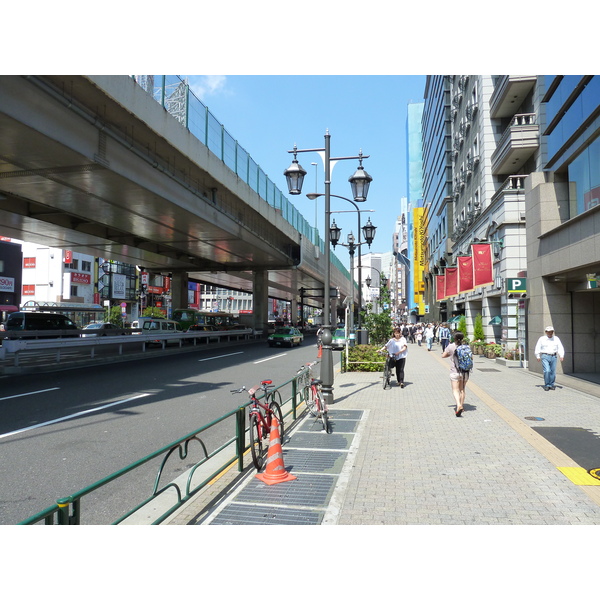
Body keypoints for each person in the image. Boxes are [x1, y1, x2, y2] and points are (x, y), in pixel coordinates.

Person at [441, 331, 470, 417]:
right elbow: (471, 357)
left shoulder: (451, 346)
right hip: (465, 372)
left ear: (454, 338)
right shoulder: (466, 346)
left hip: (455, 371)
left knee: (455, 390)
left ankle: (458, 405)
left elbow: (443, 355)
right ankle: (462, 405)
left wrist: (450, 355)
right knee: (462, 389)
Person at [534, 326, 565, 390]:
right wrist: (537, 355)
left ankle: (551, 384)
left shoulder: (556, 339)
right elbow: (538, 347)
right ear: (546, 332)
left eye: (551, 332)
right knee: (547, 370)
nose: (550, 333)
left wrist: (561, 355)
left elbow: (560, 347)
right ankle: (547, 384)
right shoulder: (542, 339)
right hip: (545, 356)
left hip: (554, 356)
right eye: (548, 332)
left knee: (552, 371)